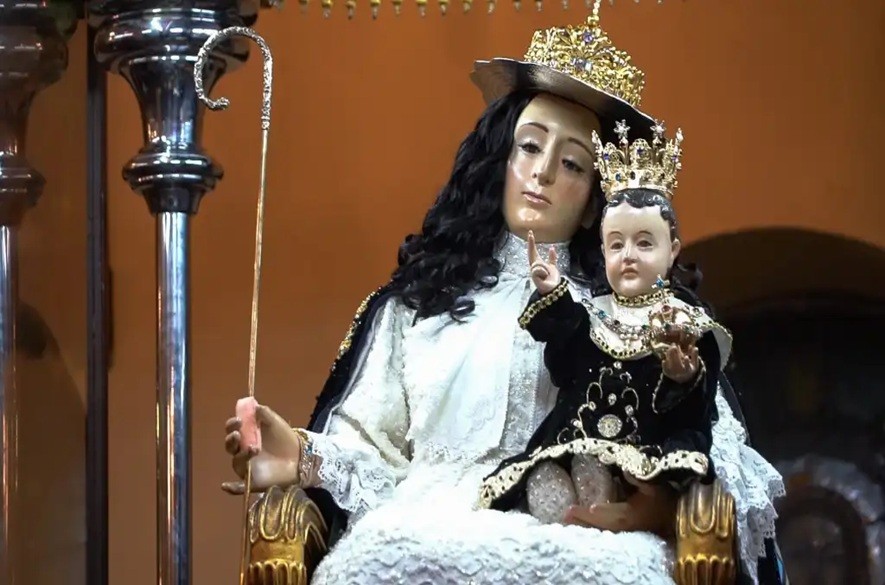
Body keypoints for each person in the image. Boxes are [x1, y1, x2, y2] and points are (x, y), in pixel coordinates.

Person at [222, 10, 787, 585]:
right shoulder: (417, 307)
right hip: (422, 529)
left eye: (572, 163)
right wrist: (302, 454)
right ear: (500, 161)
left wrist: (657, 499)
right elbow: (372, 451)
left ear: (594, 201)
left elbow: (711, 446)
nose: (542, 173)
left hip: (578, 529)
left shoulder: (633, 314)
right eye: (529, 147)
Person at [479, 122, 732, 526]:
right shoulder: (593, 311)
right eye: (616, 244)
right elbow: (566, 366)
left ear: (672, 251)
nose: (628, 255)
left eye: (644, 242)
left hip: (643, 458)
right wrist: (554, 294)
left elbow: (698, 415)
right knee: (546, 476)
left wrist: (683, 377)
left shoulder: (684, 322)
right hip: (575, 442)